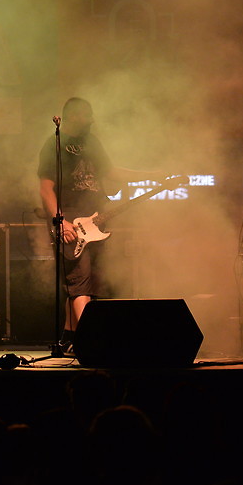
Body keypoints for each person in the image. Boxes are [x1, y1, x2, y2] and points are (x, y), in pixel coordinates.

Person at [37, 97, 153, 355]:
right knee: (79, 281)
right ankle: (91, 343)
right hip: (70, 220)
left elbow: (111, 172)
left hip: (96, 220)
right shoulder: (54, 144)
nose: (91, 120)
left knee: (90, 284)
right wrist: (61, 220)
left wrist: (153, 175)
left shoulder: (92, 142)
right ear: (72, 116)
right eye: (86, 115)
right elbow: (46, 188)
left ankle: (69, 338)